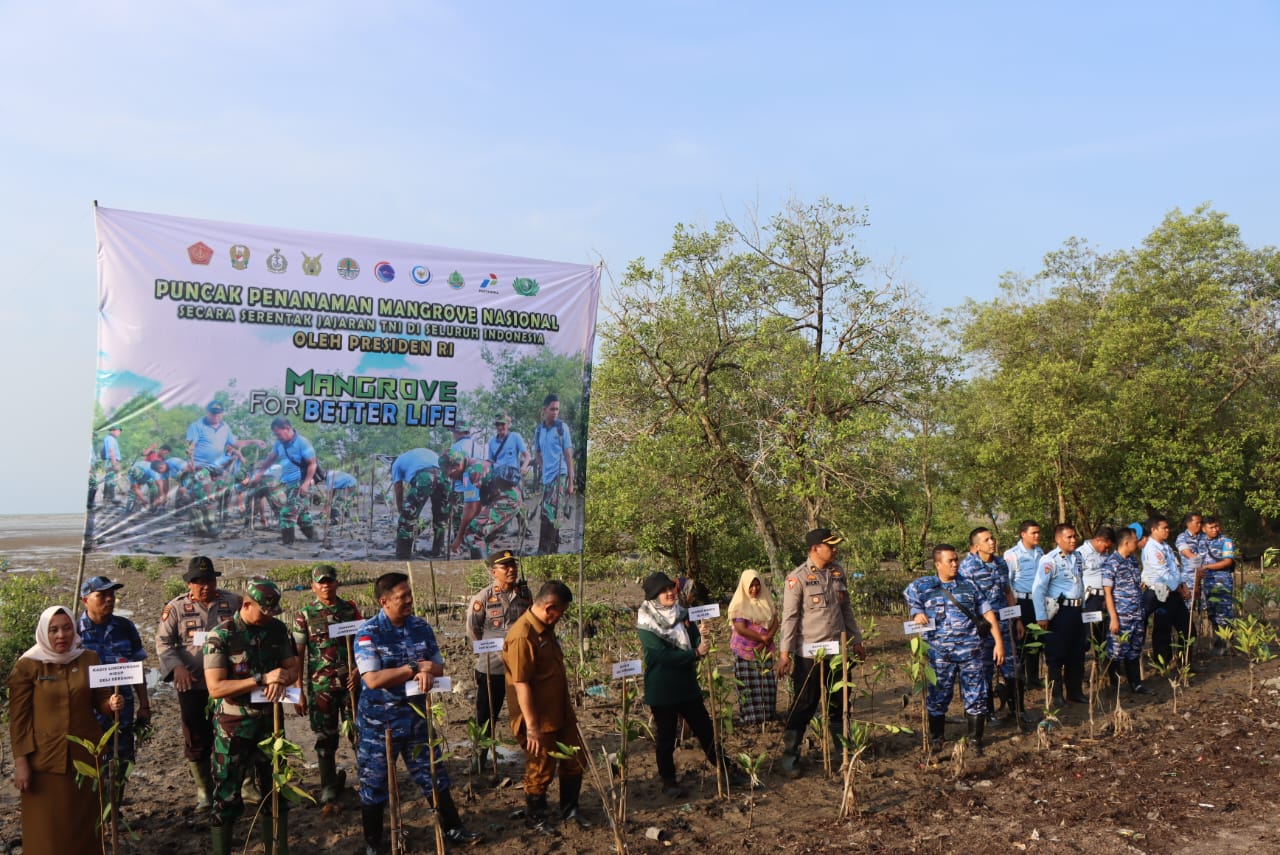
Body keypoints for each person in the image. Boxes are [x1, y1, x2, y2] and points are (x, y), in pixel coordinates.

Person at [354, 572, 483, 852]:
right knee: (374, 783)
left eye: (409, 594)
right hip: (380, 722)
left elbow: (438, 667)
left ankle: (453, 828)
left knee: (433, 774)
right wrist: (414, 669)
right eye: (402, 597)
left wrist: (426, 671)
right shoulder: (368, 633)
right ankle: (373, 844)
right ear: (384, 601)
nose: (410, 600)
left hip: (416, 717)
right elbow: (373, 680)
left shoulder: (420, 627)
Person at [8, 606, 126, 851]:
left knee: (83, 828)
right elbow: (19, 720)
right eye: (53, 630)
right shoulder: (28, 666)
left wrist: (112, 704)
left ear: (75, 630)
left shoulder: (89, 658)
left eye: (66, 628)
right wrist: (21, 763)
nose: (61, 635)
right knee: (46, 831)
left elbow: (100, 700)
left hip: (85, 759)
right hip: (43, 762)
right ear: (43, 633)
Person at [204, 578, 299, 855]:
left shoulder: (277, 630)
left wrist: (282, 679)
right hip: (233, 726)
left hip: (271, 722)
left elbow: (292, 669)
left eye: (273, 612)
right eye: (263, 611)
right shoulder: (221, 636)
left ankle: (277, 849)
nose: (268, 617)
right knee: (227, 796)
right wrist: (260, 679)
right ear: (246, 604)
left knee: (275, 790)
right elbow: (216, 688)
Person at [638, 572, 749, 797]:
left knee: (705, 729)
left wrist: (702, 636)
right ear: (653, 597)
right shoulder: (646, 622)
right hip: (663, 688)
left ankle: (726, 769)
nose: (670, 593)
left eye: (671, 588)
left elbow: (695, 637)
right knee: (666, 737)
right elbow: (660, 656)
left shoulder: (682, 614)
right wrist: (694, 653)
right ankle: (669, 781)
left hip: (686, 684)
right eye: (664, 591)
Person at [156, 555, 243, 809]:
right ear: (189, 584)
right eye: (198, 581)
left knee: (234, 733)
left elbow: (248, 627)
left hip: (228, 682)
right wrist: (177, 667)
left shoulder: (232, 601)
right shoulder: (175, 608)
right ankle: (205, 790)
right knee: (196, 736)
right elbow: (163, 643)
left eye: (209, 580)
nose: (204, 586)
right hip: (193, 684)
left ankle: (241, 785)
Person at [503, 580, 589, 833]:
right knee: (540, 767)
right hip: (538, 718)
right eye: (560, 613)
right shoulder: (522, 635)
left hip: (559, 711)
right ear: (549, 607)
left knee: (575, 758)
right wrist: (531, 727)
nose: (560, 618)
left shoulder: (545, 628)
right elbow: (521, 684)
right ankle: (536, 817)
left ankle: (570, 809)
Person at [777, 528, 864, 778]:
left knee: (841, 701)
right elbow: (790, 619)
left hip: (838, 653)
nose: (835, 550)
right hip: (809, 655)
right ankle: (790, 756)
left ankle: (843, 752)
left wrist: (856, 639)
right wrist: (785, 654)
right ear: (815, 548)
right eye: (830, 546)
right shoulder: (797, 578)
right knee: (804, 704)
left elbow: (846, 610)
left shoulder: (837, 572)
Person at [905, 545, 1004, 755]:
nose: (954, 564)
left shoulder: (969, 585)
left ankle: (975, 741)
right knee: (938, 697)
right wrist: (916, 613)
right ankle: (937, 739)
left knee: (976, 696)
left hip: (971, 653)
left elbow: (988, 613)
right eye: (950, 560)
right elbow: (911, 599)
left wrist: (998, 642)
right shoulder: (923, 586)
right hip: (939, 655)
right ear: (937, 564)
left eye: (956, 560)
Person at [291, 564, 363, 804]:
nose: (325, 585)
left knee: (358, 732)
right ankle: (328, 785)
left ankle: (367, 778)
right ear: (313, 586)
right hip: (321, 687)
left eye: (329, 581)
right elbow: (298, 655)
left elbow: (362, 644)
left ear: (336, 583)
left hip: (351, 685)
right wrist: (297, 690)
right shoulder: (305, 615)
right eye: (321, 582)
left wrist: (359, 671)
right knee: (325, 737)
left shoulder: (350, 610)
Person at [77, 575, 151, 805]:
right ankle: (92, 814)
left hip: (121, 711)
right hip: (85, 715)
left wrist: (145, 705)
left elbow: (136, 668)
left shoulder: (125, 627)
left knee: (121, 762)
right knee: (88, 766)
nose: (109, 599)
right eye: (102, 595)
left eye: (112, 594)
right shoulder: (74, 632)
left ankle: (113, 813)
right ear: (85, 600)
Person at [467, 549, 531, 774]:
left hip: (520, 665)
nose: (512, 569)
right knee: (486, 714)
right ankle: (479, 758)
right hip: (491, 666)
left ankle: (531, 754)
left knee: (524, 711)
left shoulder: (525, 596)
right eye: (506, 567)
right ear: (494, 571)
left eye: (513, 565)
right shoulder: (482, 598)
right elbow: (473, 630)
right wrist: (490, 650)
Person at [958, 528, 1024, 727]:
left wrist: (1017, 619)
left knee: (1013, 669)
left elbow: (1008, 591)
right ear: (977, 546)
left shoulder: (1001, 564)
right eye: (986, 540)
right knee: (984, 671)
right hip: (982, 630)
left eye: (992, 538)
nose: (992, 542)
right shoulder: (967, 568)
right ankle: (987, 713)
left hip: (1005, 626)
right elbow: (966, 601)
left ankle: (1018, 710)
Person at [186, 400, 267, 537]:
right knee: (205, 494)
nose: (215, 416)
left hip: (217, 467)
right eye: (213, 414)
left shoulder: (225, 427)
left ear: (222, 414)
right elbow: (190, 445)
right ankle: (209, 526)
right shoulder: (197, 426)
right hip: (200, 465)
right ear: (207, 412)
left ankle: (196, 526)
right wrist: (191, 461)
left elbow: (235, 442)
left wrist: (254, 441)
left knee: (217, 491)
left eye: (218, 414)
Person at [1031, 523, 1088, 703]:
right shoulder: (1050, 560)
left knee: (1077, 653)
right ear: (1058, 539)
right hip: (1060, 612)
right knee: (1057, 654)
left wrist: (1084, 607)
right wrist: (1041, 616)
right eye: (1068, 537)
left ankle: (1075, 692)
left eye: (1074, 536)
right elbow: (1039, 588)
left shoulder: (1078, 557)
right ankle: (1057, 695)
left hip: (1077, 610)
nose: (1073, 540)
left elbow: (1080, 582)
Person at [251, 417, 318, 545]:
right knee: (302, 515)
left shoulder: (302, 442)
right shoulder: (279, 444)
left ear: (287, 429)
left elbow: (312, 464)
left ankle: (287, 544)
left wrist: (306, 483)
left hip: (300, 482)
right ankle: (314, 539)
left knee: (286, 513)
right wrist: (260, 473)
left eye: (278, 433)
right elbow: (271, 458)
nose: (277, 437)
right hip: (288, 484)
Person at [1101, 526, 1152, 693]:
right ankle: (1114, 687)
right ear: (1126, 542)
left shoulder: (1132, 561)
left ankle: (1135, 684)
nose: (1137, 544)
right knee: (1116, 651)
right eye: (1135, 541)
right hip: (1122, 616)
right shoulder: (1111, 563)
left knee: (1135, 650)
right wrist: (1113, 618)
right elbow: (1107, 593)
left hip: (1137, 614)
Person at [727, 568, 779, 727]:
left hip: (765, 650)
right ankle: (750, 718)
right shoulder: (739, 603)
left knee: (766, 685)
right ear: (744, 586)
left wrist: (767, 639)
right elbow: (741, 628)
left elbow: (775, 620)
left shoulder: (766, 600)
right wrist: (761, 638)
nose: (754, 589)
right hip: (746, 653)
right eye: (751, 586)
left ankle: (767, 717)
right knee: (749, 687)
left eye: (757, 585)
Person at [1141, 515, 1193, 666]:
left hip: (1175, 592)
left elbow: (1176, 568)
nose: (1167, 531)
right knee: (1163, 632)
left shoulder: (1166, 546)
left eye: (1168, 527)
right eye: (1164, 528)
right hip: (1161, 593)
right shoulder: (1151, 549)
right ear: (1154, 529)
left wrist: (1183, 586)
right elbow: (1163, 573)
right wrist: (1179, 589)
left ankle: (1185, 664)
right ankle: (1162, 665)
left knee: (1187, 629)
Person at [1004, 520, 1045, 688]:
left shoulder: (1040, 552)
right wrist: (1015, 612)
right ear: (1023, 534)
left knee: (1036, 640)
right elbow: (1008, 584)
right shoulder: (1012, 554)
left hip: (1037, 601)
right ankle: (1019, 680)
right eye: (1033, 533)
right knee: (1021, 641)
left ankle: (1033, 679)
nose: (1037, 536)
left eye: (1038, 532)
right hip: (1021, 601)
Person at [533, 394, 575, 554]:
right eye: (552, 409)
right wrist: (543, 467)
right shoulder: (539, 430)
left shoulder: (561, 427)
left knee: (548, 514)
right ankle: (553, 549)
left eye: (557, 409)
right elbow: (537, 452)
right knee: (551, 514)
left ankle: (543, 550)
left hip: (560, 475)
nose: (555, 412)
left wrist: (570, 482)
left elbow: (568, 454)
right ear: (545, 410)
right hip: (547, 478)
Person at [390, 447, 443, 560]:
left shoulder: (396, 465)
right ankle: (437, 551)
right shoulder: (412, 456)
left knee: (407, 518)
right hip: (444, 475)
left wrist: (401, 509)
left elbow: (398, 489)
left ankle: (403, 555)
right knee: (441, 519)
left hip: (425, 476)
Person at [441, 450, 493, 558]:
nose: (450, 475)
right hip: (499, 500)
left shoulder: (471, 472)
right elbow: (478, 507)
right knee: (480, 531)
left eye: (451, 471)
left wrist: (458, 538)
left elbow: (471, 509)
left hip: (506, 498)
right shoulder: (470, 465)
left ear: (458, 465)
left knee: (472, 531)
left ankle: (480, 569)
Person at [1201, 516, 1238, 652]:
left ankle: (1228, 644)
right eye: (1211, 527)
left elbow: (1227, 561)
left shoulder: (1226, 542)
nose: (1215, 530)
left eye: (1217, 526)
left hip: (1222, 582)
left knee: (1224, 613)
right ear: (1204, 529)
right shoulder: (1201, 542)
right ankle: (1219, 641)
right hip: (1207, 583)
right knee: (1212, 612)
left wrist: (1207, 567)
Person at [1078, 526, 1116, 650]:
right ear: (1098, 540)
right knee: (1087, 636)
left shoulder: (1106, 554)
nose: (1107, 550)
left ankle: (1101, 667)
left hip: (1104, 599)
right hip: (1090, 599)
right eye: (1106, 546)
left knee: (1102, 637)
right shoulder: (1080, 553)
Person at [1176, 512, 1208, 600]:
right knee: (1189, 608)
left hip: (1206, 578)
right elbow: (1188, 554)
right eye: (1197, 522)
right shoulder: (1182, 538)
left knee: (1207, 607)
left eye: (1201, 522)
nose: (1200, 525)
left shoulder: (1205, 537)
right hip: (1190, 579)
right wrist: (1200, 566)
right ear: (1189, 523)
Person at [99, 424, 123, 505]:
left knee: (108, 479)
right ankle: (111, 498)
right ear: (114, 430)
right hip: (111, 460)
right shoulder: (110, 439)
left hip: (111, 461)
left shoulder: (110, 438)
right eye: (119, 431)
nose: (120, 433)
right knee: (111, 479)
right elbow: (111, 451)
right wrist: (115, 463)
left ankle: (106, 498)